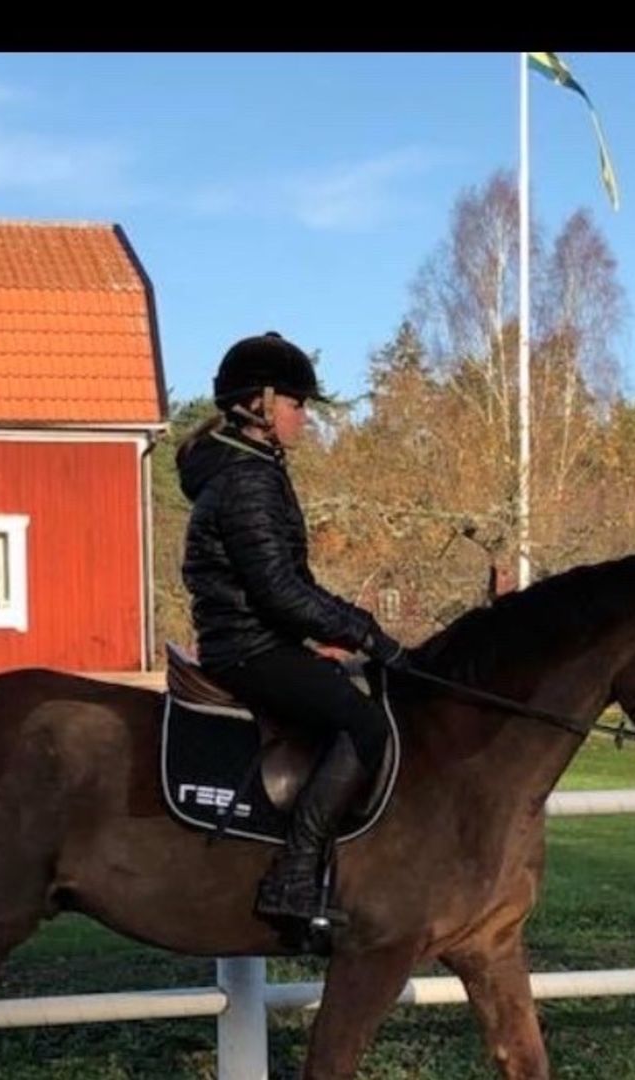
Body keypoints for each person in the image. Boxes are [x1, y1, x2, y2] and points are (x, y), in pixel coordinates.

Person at [176, 331, 410, 943]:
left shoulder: (246, 468)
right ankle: (294, 875)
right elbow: (280, 588)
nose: (305, 419)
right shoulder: (246, 480)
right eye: (297, 406)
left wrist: (321, 641)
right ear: (260, 404)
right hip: (248, 650)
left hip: (258, 639)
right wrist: (368, 634)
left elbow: (278, 585)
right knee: (366, 725)